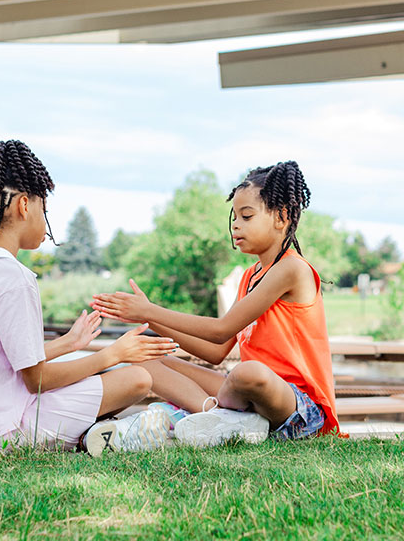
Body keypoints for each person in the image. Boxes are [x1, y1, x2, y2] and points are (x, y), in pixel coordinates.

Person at [0, 140, 178, 455]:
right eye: (45, 209)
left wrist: (69, 344)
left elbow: (0, 360)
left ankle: (94, 436)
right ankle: (102, 436)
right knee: (137, 378)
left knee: (77, 362)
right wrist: (114, 353)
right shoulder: (13, 277)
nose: (46, 221)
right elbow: (36, 380)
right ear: (25, 206)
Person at [92, 161, 339, 447]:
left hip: (296, 405)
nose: (235, 224)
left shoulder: (292, 270)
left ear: (281, 217)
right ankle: (215, 417)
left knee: (249, 372)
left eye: (246, 216)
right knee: (145, 359)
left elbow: (221, 330)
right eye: (234, 216)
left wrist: (149, 310)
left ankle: (211, 417)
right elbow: (216, 351)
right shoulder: (250, 276)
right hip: (247, 397)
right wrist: (148, 319)